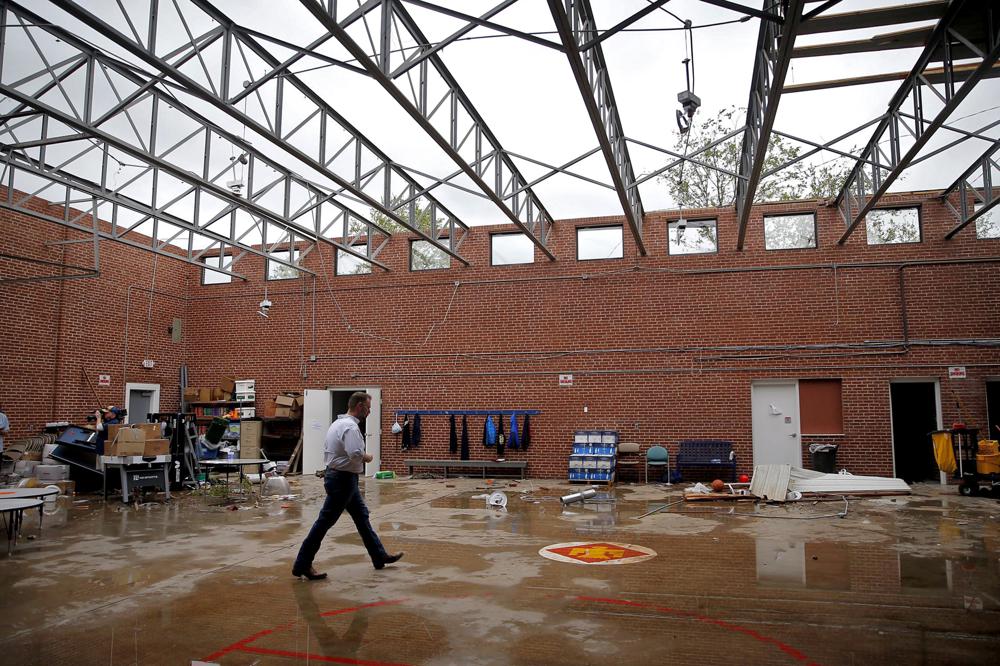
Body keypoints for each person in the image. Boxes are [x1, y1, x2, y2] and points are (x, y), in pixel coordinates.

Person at [292, 392, 403, 580]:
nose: (369, 412)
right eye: (368, 408)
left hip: (343, 479)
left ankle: (379, 556)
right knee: (324, 522)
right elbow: (355, 454)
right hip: (342, 480)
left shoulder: (338, 423)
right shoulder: (350, 427)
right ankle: (302, 563)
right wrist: (368, 457)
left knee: (362, 518)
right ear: (359, 406)